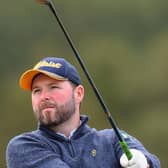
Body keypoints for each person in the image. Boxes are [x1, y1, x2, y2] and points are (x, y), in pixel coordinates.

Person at [6, 57, 160, 168]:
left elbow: (151, 161)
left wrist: (144, 162)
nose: (44, 96)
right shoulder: (23, 147)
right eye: (36, 91)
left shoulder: (112, 138)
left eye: (53, 87)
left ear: (78, 94)